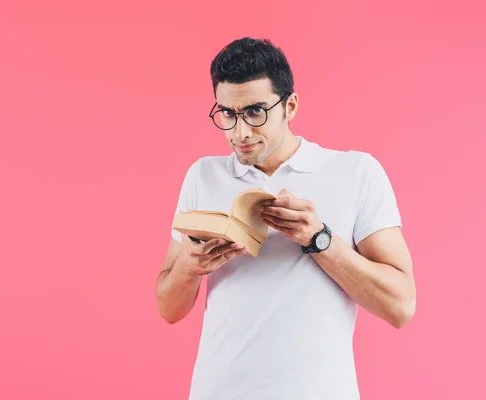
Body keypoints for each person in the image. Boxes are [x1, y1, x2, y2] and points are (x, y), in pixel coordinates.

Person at [155, 37, 416, 400]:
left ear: (290, 105)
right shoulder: (202, 176)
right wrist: (189, 265)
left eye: (255, 112)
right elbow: (169, 309)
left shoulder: (355, 171)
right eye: (227, 114)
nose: (240, 132)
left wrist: (319, 238)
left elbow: (401, 306)